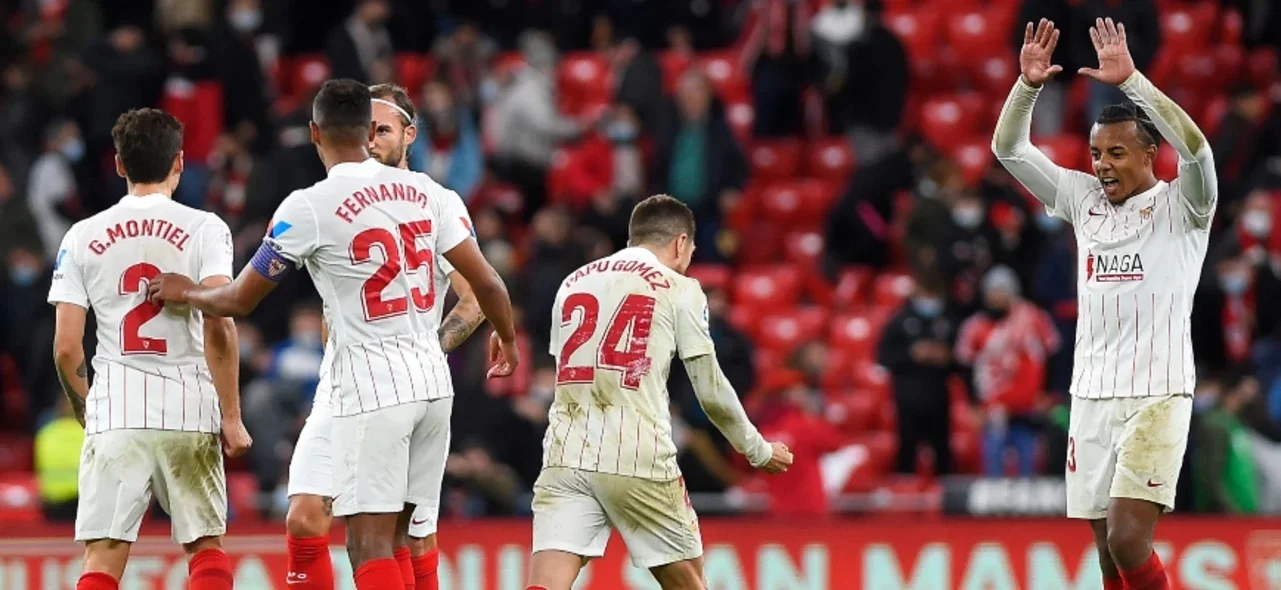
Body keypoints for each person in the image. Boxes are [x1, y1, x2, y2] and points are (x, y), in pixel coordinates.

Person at [146, 79, 519, 590]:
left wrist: (185, 292)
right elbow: (490, 283)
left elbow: (237, 299)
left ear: (314, 132)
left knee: (376, 542)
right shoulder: (434, 196)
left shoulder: (309, 206)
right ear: (367, 133)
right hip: (384, 381)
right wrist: (509, 337)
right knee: (306, 516)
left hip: (375, 383)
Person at [992, 18, 1218, 590]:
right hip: (1090, 394)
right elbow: (1008, 148)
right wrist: (1028, 86)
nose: (1102, 165)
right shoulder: (1081, 198)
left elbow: (1197, 148)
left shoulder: (1184, 207)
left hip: (1158, 392)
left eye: (1117, 153)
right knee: (1105, 550)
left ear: (1149, 155)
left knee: (1126, 537)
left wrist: (1134, 82)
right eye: (1095, 153)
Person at [280, 82, 489, 590]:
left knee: (405, 537)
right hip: (343, 384)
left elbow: (476, 295)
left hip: (404, 379)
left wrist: (427, 347)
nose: (372, 139)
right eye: (367, 129)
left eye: (384, 130)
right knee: (305, 516)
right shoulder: (337, 199)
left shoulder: (433, 203)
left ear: (409, 135)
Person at [526, 195, 793, 590]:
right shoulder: (680, 288)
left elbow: (560, 369)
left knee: (546, 584)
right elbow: (711, 388)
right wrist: (758, 449)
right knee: (688, 582)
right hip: (636, 452)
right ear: (680, 243)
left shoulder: (573, 282)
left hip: (566, 453)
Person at [47, 108, 252, 590]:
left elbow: (65, 346)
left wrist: (84, 405)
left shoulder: (81, 236)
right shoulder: (207, 228)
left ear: (119, 165)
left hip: (116, 409)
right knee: (204, 547)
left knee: (104, 555)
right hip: (188, 406)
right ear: (179, 162)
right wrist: (232, 415)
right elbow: (219, 324)